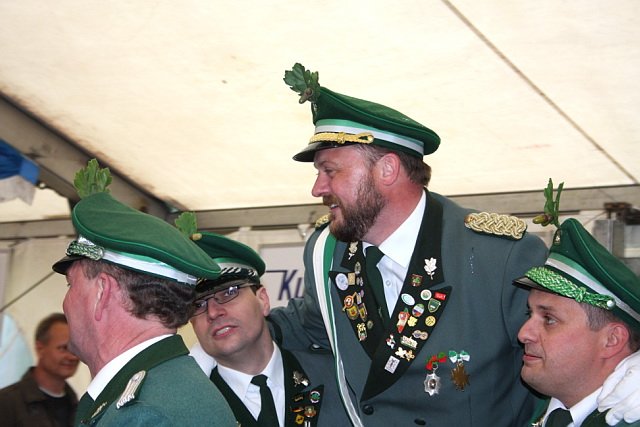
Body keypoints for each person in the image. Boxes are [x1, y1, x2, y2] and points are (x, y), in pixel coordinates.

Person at [268, 64, 640, 426]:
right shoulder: (327, 251)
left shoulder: (499, 255)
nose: (317, 188)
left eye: (330, 171)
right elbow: (310, 326)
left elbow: (587, 341)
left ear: (387, 170)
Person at [50, 160, 235, 426]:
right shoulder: (162, 388)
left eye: (71, 285)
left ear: (102, 292)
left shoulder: (145, 413)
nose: (65, 303)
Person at [187, 231, 350, 427]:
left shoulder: (340, 376)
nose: (213, 312)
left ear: (263, 300)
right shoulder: (190, 411)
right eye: (198, 305)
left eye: (229, 293)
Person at [515, 218, 640, 426]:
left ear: (612, 339)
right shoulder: (546, 413)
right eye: (530, 314)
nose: (523, 334)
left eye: (549, 319)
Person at [0, 313, 80, 427]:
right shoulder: (7, 403)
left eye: (76, 350)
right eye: (63, 348)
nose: (72, 357)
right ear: (40, 348)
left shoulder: (80, 407)